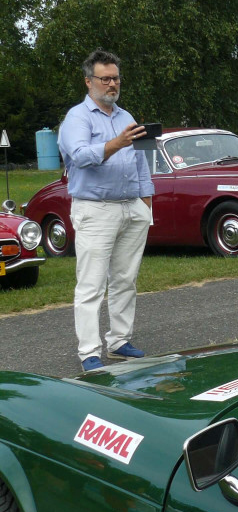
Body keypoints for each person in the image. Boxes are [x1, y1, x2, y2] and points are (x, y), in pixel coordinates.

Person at [58, 49, 153, 371]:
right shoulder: (77, 118)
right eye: (105, 79)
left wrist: (146, 200)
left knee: (126, 279)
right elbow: (81, 156)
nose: (112, 84)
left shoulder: (127, 117)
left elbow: (143, 161)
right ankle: (89, 353)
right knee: (91, 285)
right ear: (89, 82)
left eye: (116, 78)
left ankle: (119, 341)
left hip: (131, 208)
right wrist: (115, 144)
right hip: (95, 210)